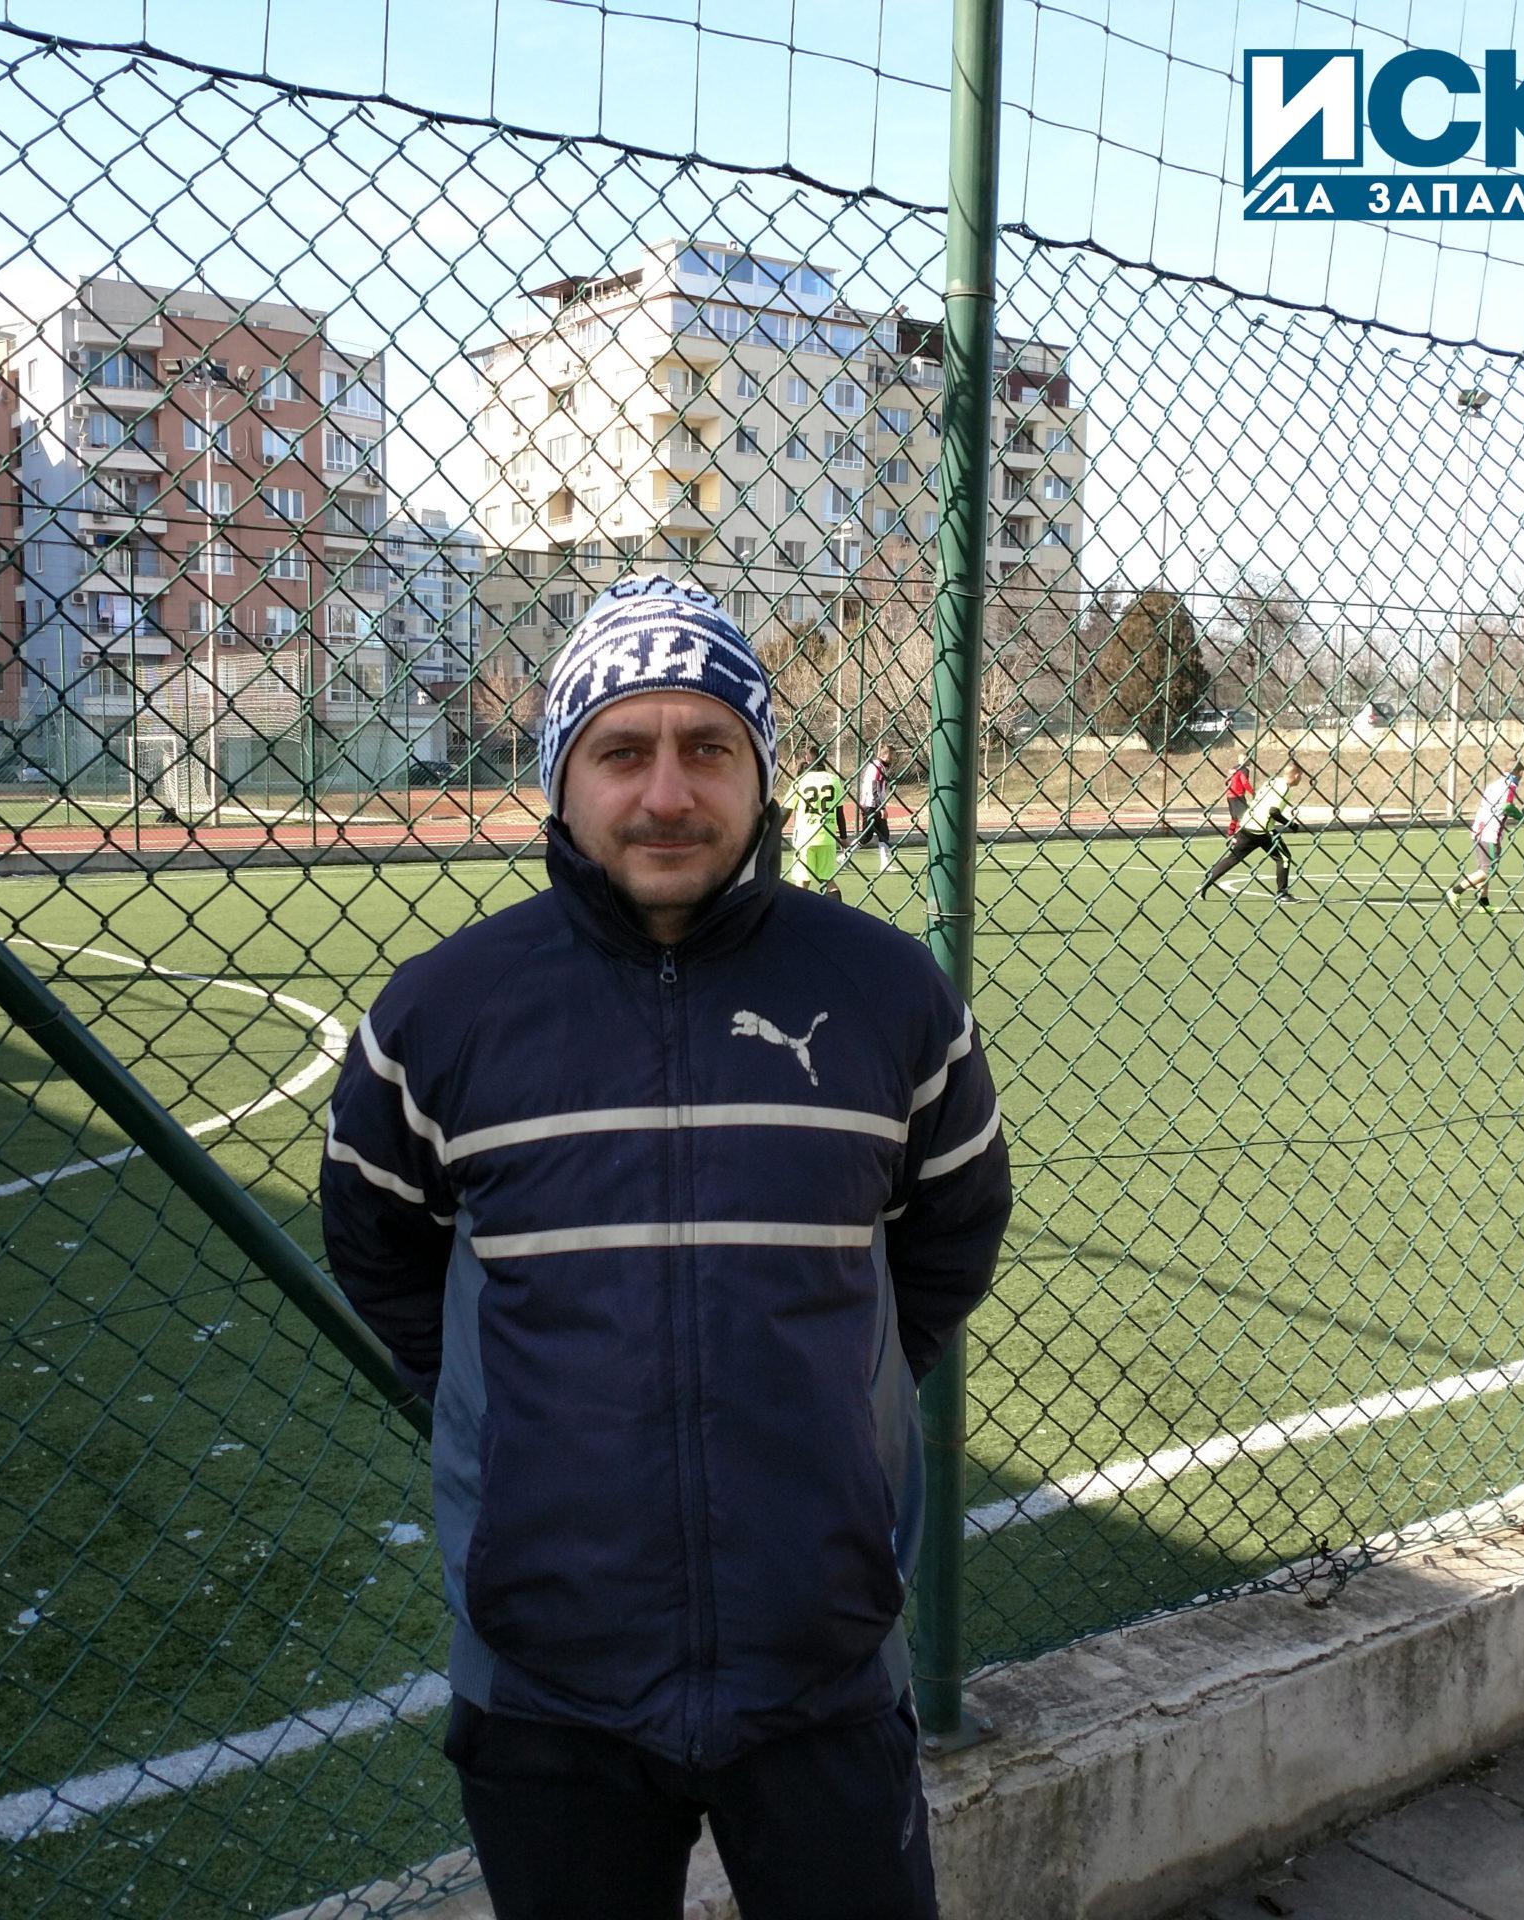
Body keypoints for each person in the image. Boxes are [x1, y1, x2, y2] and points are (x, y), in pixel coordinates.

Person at [319, 574, 1012, 1920]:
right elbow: (379, 1250)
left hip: (821, 1656)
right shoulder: (442, 1014)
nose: (667, 794)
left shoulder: (890, 996)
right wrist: (521, 1428)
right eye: (621, 751)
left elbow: (952, 1230)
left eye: (708, 748)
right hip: (548, 1677)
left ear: (761, 773)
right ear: (560, 778)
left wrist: (845, 1395)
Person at [1197, 762, 1308, 902]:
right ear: (1296, 775)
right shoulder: (1285, 788)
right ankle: (1282, 894)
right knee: (1283, 858)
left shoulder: (1272, 781)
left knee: (1233, 858)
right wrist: (1291, 825)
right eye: (1300, 776)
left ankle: (1203, 885)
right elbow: (1273, 811)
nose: (1300, 779)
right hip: (1263, 830)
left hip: (1247, 824)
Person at [1449, 762, 1524, 911]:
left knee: (1483, 869)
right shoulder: (1510, 785)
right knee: (1488, 870)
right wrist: (1521, 816)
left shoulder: (1494, 784)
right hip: (1490, 832)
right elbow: (1507, 806)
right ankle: (1456, 890)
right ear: (1521, 772)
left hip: (1478, 829)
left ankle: (1483, 903)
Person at [787, 758, 845, 899]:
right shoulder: (834, 779)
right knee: (828, 880)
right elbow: (839, 812)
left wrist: (772, 831)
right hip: (827, 837)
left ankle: (799, 911)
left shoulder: (800, 781)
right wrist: (843, 837)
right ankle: (835, 910)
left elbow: (786, 809)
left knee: (802, 881)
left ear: (807, 759)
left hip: (805, 838)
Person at [851, 747, 896, 873]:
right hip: (870, 805)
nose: (892, 758)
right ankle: (845, 856)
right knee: (866, 836)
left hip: (874, 804)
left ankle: (885, 864)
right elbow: (875, 787)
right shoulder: (877, 766)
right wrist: (881, 807)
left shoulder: (880, 766)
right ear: (884, 755)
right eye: (891, 755)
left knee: (884, 833)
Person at [1224, 754, 1256, 830]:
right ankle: (1239, 833)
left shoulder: (1234, 768)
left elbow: (1227, 781)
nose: (1250, 761)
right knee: (1243, 815)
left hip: (1229, 795)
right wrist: (1252, 792)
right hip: (1238, 795)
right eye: (1248, 760)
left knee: (1234, 817)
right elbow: (1244, 782)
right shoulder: (1244, 770)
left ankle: (1231, 832)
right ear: (1245, 760)